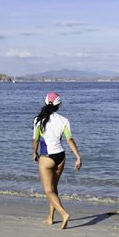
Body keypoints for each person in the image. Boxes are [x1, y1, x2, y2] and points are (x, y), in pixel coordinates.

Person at [33, 92, 82, 229]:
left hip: (46, 157)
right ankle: (50, 218)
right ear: (59, 105)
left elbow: (36, 139)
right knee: (54, 188)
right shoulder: (64, 120)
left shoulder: (38, 120)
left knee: (48, 190)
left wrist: (34, 153)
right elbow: (69, 140)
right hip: (60, 156)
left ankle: (63, 214)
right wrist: (78, 157)